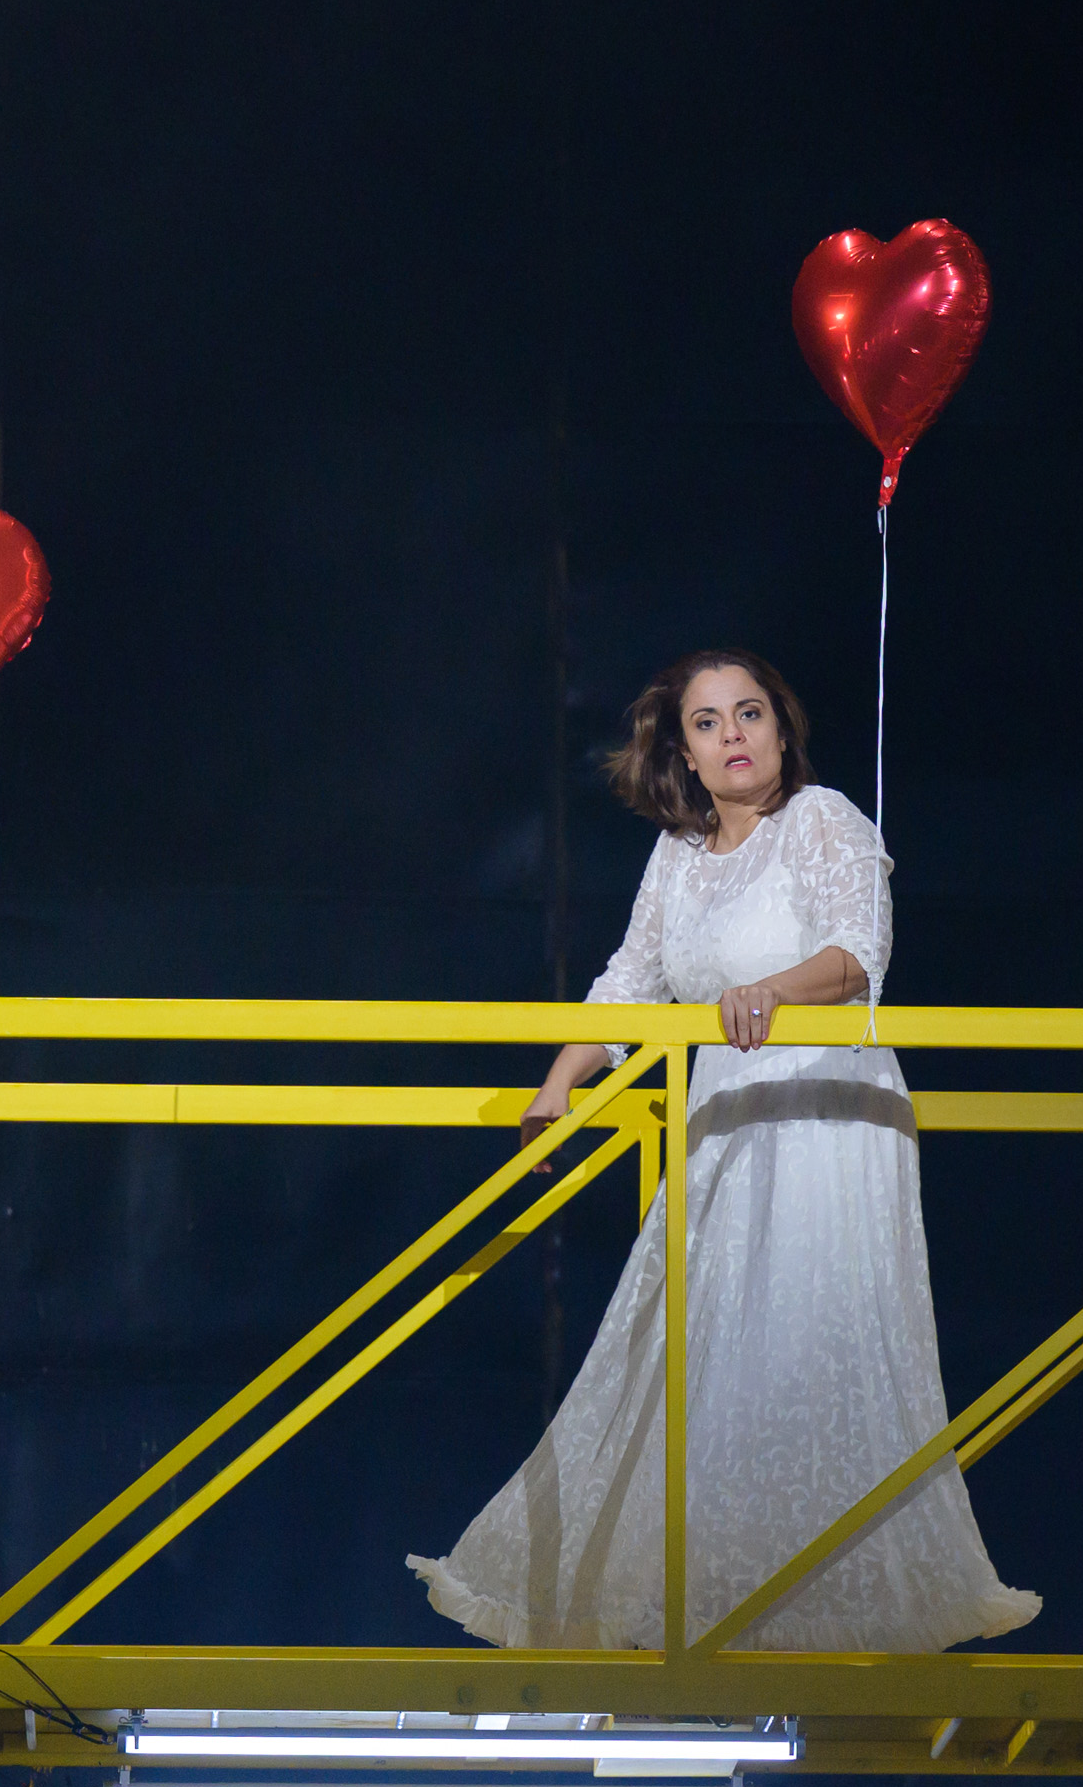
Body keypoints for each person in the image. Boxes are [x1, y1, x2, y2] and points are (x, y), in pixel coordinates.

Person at [408, 648, 1040, 1651]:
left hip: (824, 1112)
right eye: (707, 723)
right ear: (685, 753)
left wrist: (774, 992)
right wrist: (562, 1076)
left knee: (801, 1338)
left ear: (781, 730)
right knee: (693, 1343)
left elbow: (856, 953)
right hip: (723, 1112)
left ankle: (817, 1599)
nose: (732, 735)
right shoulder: (679, 854)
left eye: (749, 714)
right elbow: (632, 977)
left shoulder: (822, 818)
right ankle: (708, 1594)